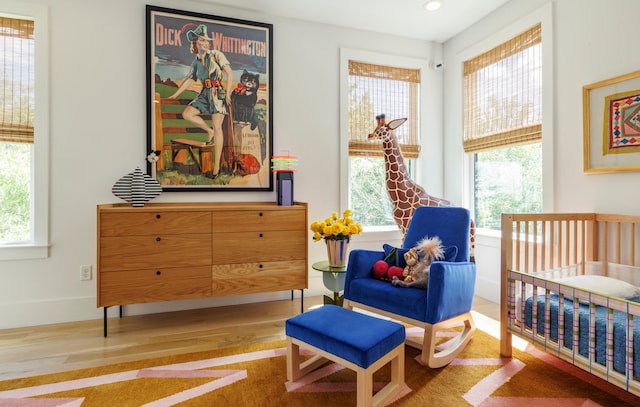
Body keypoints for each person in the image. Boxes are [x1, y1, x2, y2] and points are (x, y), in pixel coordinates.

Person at [168, 24, 233, 179]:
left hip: (217, 93)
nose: (204, 43)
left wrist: (228, 94)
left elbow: (229, 74)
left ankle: (216, 169)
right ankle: (208, 131)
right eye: (201, 40)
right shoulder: (196, 62)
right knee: (188, 114)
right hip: (204, 93)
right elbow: (189, 80)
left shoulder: (217, 55)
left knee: (218, 127)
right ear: (195, 43)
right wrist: (175, 95)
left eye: (206, 40)